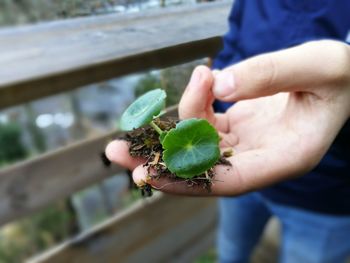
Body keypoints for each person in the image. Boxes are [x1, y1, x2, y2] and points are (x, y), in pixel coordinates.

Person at [105, 1, 350, 262]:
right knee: (231, 249)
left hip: (328, 190)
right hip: (236, 153)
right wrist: (217, 93)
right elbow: (234, 36)